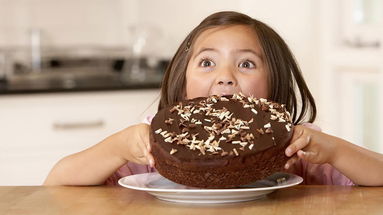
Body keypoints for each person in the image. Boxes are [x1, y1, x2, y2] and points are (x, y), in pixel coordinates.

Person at [44, 11, 383, 186]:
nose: (225, 76)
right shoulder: (154, 145)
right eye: (207, 62)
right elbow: (57, 182)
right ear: (182, 79)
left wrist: (334, 150)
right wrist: (117, 146)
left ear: (275, 80)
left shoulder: (298, 144)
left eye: (246, 63)